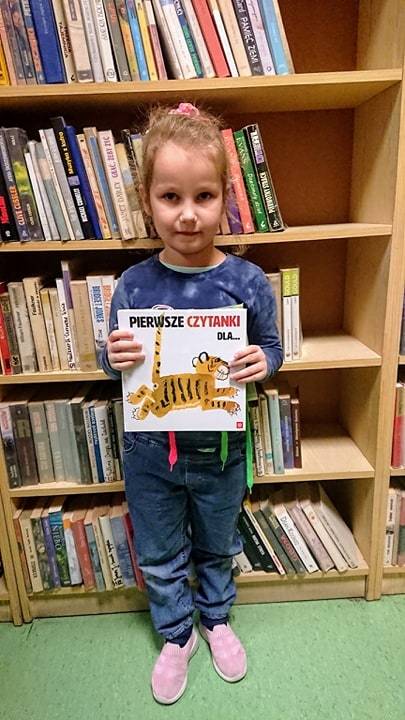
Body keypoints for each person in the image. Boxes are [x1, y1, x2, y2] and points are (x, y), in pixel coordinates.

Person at [102, 103, 283, 704]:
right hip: (150, 454)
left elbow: (272, 348)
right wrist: (113, 355)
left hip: (221, 453)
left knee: (217, 542)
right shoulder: (133, 284)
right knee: (158, 551)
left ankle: (217, 619)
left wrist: (264, 362)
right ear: (146, 201)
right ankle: (176, 634)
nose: (187, 214)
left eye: (203, 196)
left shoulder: (247, 281)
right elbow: (112, 361)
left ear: (225, 197)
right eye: (170, 197)